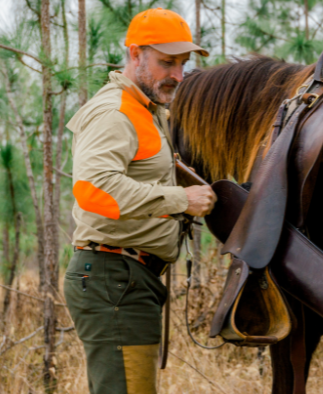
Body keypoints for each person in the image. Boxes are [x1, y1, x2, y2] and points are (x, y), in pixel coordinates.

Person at [63, 8, 215, 394]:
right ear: (134, 54)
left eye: (183, 64)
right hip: (114, 279)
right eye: (167, 62)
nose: (178, 75)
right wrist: (181, 199)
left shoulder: (147, 110)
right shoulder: (114, 113)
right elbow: (94, 190)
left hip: (128, 279)